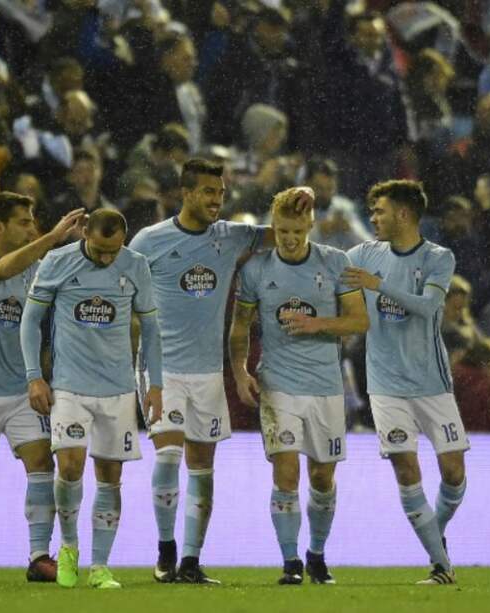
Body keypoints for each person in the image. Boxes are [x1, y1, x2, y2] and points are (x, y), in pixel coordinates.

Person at [128, 158, 312, 583]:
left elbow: (286, 231)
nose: (217, 200)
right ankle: (165, 551)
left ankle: (191, 561)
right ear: (186, 192)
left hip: (207, 373)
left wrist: (307, 199)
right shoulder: (149, 241)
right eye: (209, 192)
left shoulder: (229, 237)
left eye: (222, 193)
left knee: (202, 468)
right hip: (162, 368)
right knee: (169, 454)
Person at [229, 187, 368, 585]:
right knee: (286, 474)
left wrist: (318, 324)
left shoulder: (336, 263)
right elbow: (240, 327)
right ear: (274, 227)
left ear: (311, 226)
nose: (290, 239)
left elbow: (359, 321)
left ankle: (317, 554)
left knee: (322, 478)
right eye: (282, 230)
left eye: (297, 231)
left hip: (326, 386)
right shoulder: (256, 270)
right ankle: (290, 562)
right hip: (278, 383)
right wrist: (241, 371)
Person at [0, 193, 84, 583]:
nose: (31, 227)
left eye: (33, 220)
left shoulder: (37, 269)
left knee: (42, 464)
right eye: (24, 221)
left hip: (23, 391)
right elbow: (1, 269)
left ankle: (40, 556)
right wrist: (54, 237)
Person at [20, 209, 163, 589]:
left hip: (117, 389)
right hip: (69, 386)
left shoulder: (136, 266)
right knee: (69, 467)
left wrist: (156, 385)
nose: (106, 258)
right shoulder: (57, 262)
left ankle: (100, 566)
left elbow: (151, 328)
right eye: (99, 250)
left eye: (113, 251)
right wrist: (35, 377)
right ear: (85, 232)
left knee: (110, 477)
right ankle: (68, 547)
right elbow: (30, 320)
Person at [343, 180, 468, 585]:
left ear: (402, 214)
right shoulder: (364, 253)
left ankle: (437, 534)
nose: (372, 218)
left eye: (379, 211)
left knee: (453, 474)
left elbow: (430, 306)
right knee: (406, 469)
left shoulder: (438, 258)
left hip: (432, 383)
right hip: (385, 385)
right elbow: (327, 267)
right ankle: (440, 565)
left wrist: (378, 285)